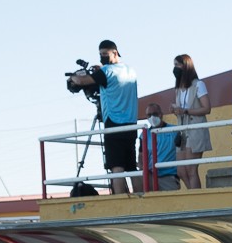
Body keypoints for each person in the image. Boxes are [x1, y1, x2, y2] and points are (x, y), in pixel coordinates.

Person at [67, 40, 138, 194]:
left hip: (114, 123)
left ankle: (120, 199)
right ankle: (142, 196)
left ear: (115, 52)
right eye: (100, 55)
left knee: (116, 167)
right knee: (132, 167)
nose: (102, 57)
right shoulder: (130, 70)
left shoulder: (106, 72)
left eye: (105, 54)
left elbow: (81, 81)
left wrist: (72, 77)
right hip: (132, 123)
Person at [171, 54, 211, 190]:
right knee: (181, 171)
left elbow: (207, 108)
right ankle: (194, 195)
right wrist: (176, 110)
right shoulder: (178, 88)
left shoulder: (199, 84)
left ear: (186, 66)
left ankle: (197, 200)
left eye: (177, 65)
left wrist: (185, 111)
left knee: (191, 169)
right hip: (182, 130)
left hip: (195, 129)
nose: (175, 68)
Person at [141, 104, 180, 191]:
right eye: (149, 115)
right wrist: (144, 173)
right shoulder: (144, 135)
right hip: (150, 177)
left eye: (155, 114)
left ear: (161, 114)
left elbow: (182, 153)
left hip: (169, 176)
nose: (152, 117)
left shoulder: (174, 130)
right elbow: (141, 156)